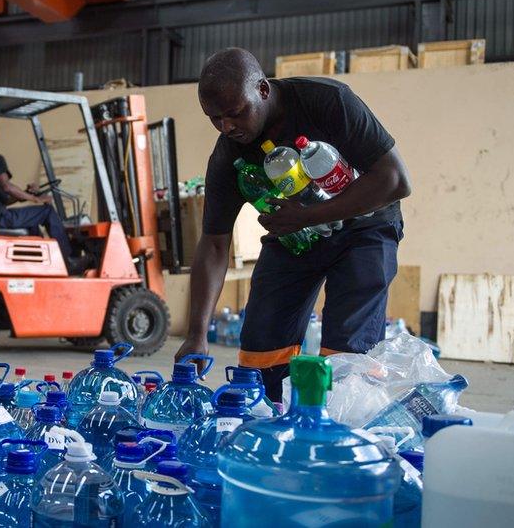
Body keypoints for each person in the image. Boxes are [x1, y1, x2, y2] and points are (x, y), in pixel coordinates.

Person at [175, 48, 412, 402]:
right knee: (260, 351)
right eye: (215, 118)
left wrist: (305, 215)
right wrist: (196, 333)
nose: (227, 127)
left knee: (346, 358)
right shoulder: (228, 155)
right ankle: (271, 423)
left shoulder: (326, 101)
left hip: (365, 227)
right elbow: (213, 244)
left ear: (263, 90)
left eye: (236, 112)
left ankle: (337, 434)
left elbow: (395, 180)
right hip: (296, 236)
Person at [0, 138, 75, 266]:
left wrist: (26, 193)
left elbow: (6, 200)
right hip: (0, 218)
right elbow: (7, 187)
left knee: (32, 222)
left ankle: (39, 261)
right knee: (47, 211)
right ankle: (68, 261)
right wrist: (36, 199)